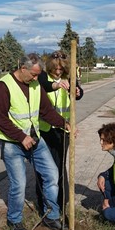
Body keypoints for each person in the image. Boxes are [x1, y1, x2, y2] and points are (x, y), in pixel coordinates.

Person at [0, 53, 69, 230]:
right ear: (22, 68)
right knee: (19, 184)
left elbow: (46, 111)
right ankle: (15, 220)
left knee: (52, 174)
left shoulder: (35, 85)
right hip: (12, 143)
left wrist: (64, 124)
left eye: (38, 75)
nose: (36, 78)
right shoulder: (4, 86)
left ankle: (51, 215)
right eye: (33, 75)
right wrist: (21, 137)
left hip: (35, 139)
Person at [35, 50, 83, 219]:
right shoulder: (42, 77)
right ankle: (44, 205)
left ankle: (62, 204)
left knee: (60, 166)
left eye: (61, 69)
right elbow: (46, 86)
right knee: (44, 169)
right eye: (55, 69)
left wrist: (77, 92)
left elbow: (79, 92)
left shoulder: (70, 78)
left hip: (64, 130)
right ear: (50, 67)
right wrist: (56, 84)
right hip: (45, 131)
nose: (58, 72)